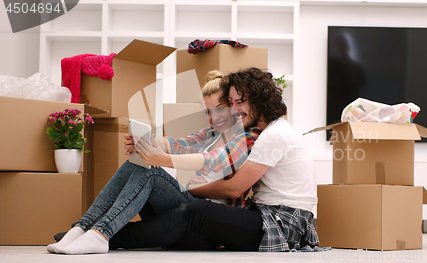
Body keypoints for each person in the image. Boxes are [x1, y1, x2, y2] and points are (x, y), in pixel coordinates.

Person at [106, 67, 319, 252]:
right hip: (267, 213)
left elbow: (233, 189)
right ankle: (98, 230)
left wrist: (188, 188)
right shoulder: (264, 131)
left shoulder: (274, 135)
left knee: (197, 212)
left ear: (259, 100)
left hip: (282, 223)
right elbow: (186, 142)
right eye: (232, 103)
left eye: (240, 103)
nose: (234, 110)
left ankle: (109, 236)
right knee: (177, 204)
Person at [47, 71, 259, 254]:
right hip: (185, 211)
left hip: (205, 228)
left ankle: (101, 233)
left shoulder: (245, 137)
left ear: (232, 107)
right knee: (136, 163)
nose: (214, 117)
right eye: (207, 112)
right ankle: (83, 228)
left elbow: (216, 159)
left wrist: (163, 159)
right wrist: (145, 142)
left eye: (220, 108)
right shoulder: (212, 133)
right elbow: (180, 143)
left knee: (152, 172)